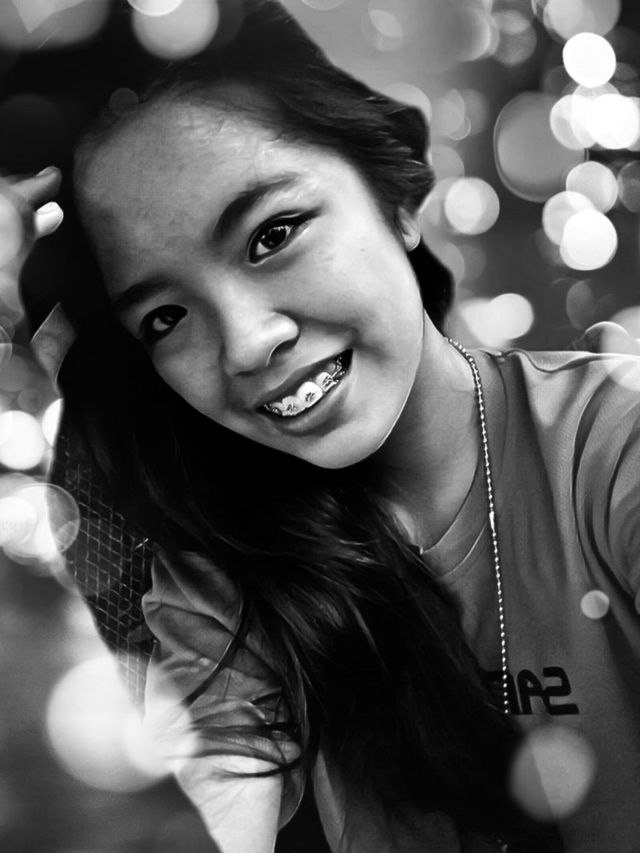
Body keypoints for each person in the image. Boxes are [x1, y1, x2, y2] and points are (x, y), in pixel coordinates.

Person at [11, 1, 640, 851]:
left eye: (272, 235)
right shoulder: (226, 564)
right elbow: (203, 800)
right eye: (165, 317)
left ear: (398, 196)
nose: (246, 343)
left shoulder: (612, 443)